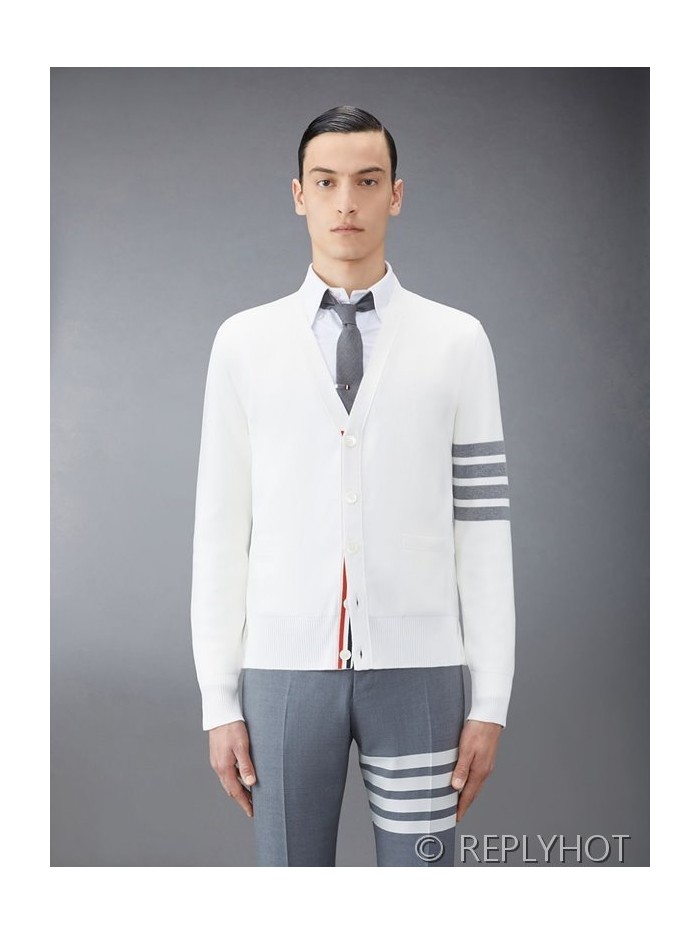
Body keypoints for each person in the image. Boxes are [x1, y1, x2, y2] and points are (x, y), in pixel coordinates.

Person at [190, 105, 516, 867]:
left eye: (367, 182)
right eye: (326, 181)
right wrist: (219, 700)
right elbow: (219, 531)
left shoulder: (457, 340)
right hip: (282, 675)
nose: (346, 202)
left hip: (420, 675)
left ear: (395, 195)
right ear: (298, 195)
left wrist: (491, 700)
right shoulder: (243, 342)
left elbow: (483, 528)